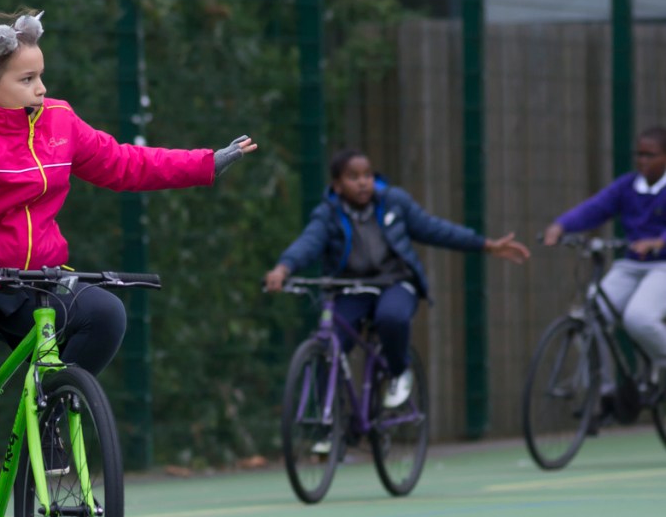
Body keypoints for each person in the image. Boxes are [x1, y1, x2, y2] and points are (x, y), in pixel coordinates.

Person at [0, 0, 256, 517]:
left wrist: (205, 164)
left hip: (32, 279)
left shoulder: (59, 122)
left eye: (42, 75)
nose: (41, 88)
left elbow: (124, 163)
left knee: (105, 315)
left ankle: (50, 411)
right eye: (27, 79)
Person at [264, 148, 529, 407]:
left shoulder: (394, 202)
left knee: (391, 318)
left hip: (394, 283)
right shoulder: (328, 214)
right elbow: (309, 242)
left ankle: (399, 371)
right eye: (353, 177)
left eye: (367, 175)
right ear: (337, 186)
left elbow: (435, 229)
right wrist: (283, 268)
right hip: (350, 288)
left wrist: (485, 245)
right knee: (329, 344)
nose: (363, 182)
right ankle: (327, 419)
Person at [543, 126, 666, 401]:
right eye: (639, 154)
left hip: (662, 266)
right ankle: (604, 390)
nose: (642, 160)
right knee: (590, 319)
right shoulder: (628, 186)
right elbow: (596, 208)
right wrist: (561, 226)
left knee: (639, 318)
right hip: (631, 265)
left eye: (650, 155)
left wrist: (658, 242)